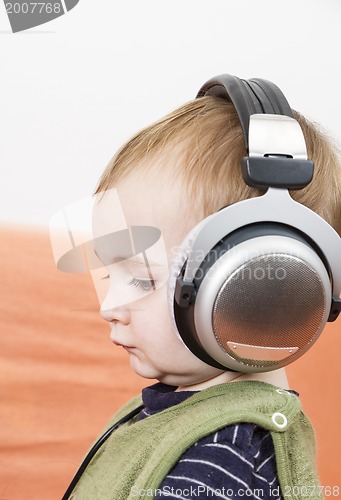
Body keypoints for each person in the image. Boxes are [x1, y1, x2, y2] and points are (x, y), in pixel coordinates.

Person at [60, 76, 341, 500]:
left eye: (141, 278)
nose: (109, 307)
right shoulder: (182, 417)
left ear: (254, 293)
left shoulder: (220, 461)